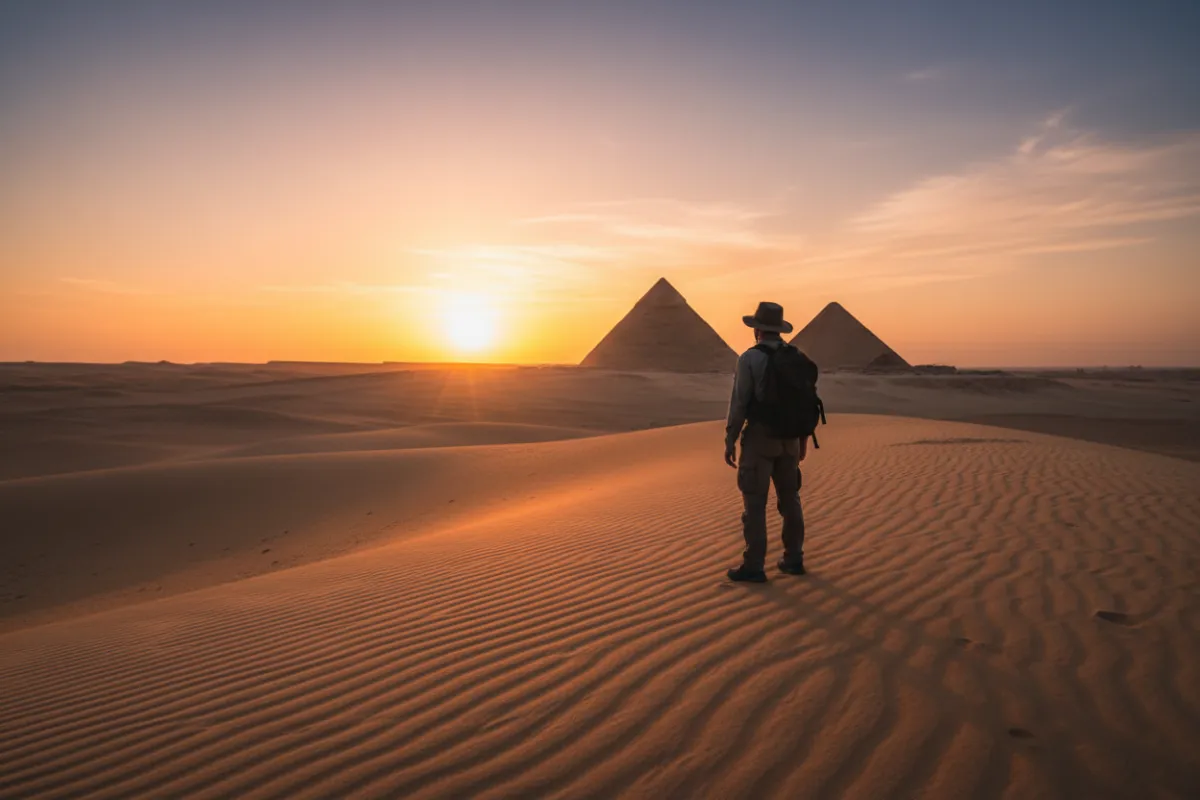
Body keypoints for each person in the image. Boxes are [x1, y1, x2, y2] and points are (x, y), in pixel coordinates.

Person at [724, 301, 809, 583]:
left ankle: (754, 565)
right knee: (790, 499)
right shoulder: (798, 358)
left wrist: (730, 438)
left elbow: (739, 403)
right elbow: (806, 404)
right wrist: (803, 441)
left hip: (761, 439)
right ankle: (794, 559)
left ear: (757, 329)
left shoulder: (750, 358)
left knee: (755, 503)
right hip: (791, 441)